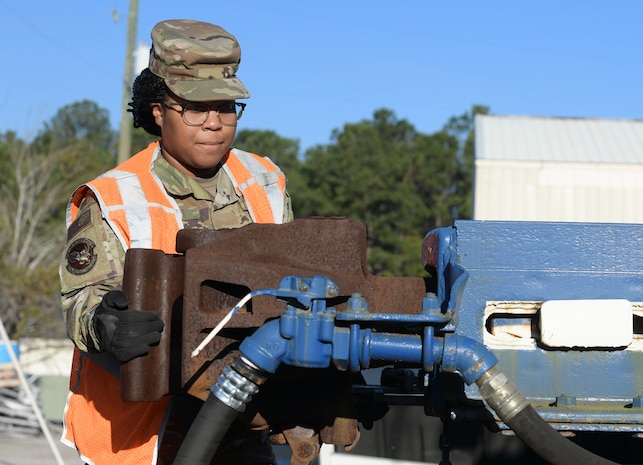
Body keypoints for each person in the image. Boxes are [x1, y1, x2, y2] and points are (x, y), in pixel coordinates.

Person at [59, 19, 293, 465]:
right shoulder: (114, 197)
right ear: (157, 109)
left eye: (225, 107)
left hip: (247, 432)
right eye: (194, 107)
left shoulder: (265, 181)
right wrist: (105, 325)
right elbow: (82, 299)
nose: (213, 124)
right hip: (148, 439)